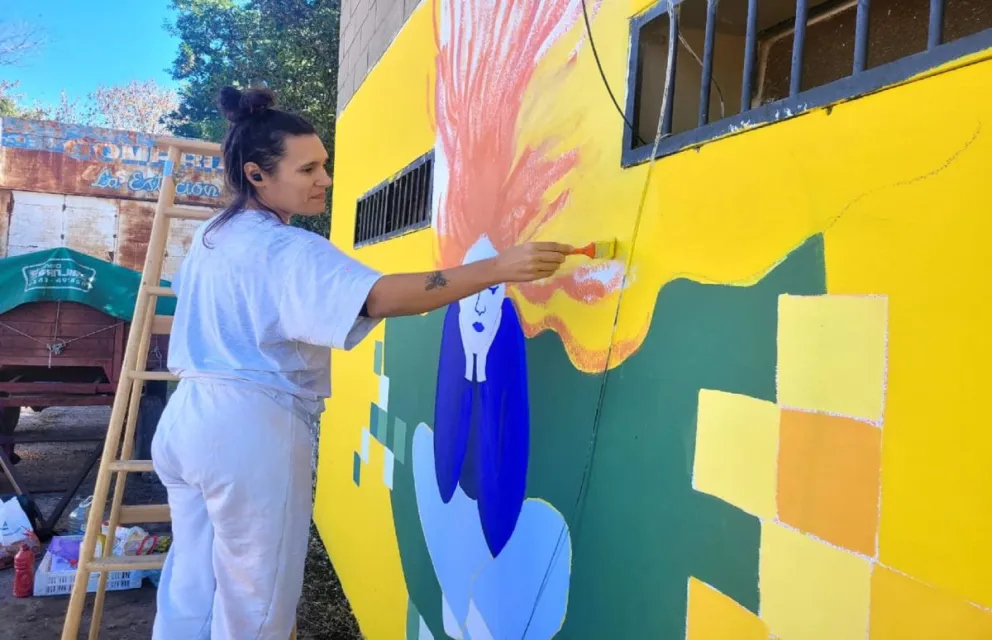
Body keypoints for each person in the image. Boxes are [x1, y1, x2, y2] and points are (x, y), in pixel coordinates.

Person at [149, 85, 572, 640]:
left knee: (192, 586)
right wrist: (497, 268)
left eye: (324, 165)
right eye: (308, 169)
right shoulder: (283, 250)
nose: (324, 179)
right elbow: (380, 296)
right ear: (256, 175)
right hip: (247, 430)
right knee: (256, 605)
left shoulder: (212, 235)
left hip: (186, 422)